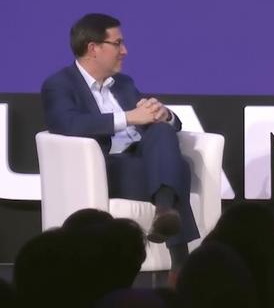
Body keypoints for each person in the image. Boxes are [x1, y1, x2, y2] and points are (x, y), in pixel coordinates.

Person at [41, 13, 197, 267]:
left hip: (143, 157)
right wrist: (128, 117)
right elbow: (67, 124)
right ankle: (179, 256)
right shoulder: (59, 85)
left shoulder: (124, 84)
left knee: (162, 131)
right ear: (93, 48)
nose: (124, 51)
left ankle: (165, 212)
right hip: (105, 167)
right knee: (180, 168)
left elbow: (156, 120)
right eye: (117, 43)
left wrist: (163, 114)